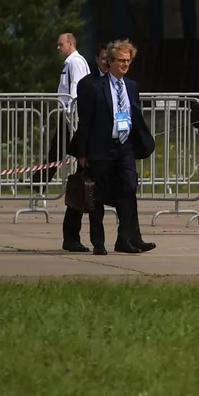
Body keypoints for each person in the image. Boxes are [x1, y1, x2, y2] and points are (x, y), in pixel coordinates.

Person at [72, 40, 155, 255]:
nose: (126, 64)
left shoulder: (131, 86)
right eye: (121, 60)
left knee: (128, 190)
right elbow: (86, 122)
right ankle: (98, 242)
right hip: (100, 149)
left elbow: (134, 116)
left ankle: (126, 239)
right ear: (110, 61)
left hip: (124, 147)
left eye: (128, 60)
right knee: (96, 197)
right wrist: (82, 153)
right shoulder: (93, 87)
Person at [56, 33, 94, 252]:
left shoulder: (76, 62)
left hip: (75, 119)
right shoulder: (71, 63)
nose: (58, 48)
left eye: (61, 44)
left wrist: (72, 116)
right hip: (73, 120)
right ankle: (72, 237)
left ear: (71, 44)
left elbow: (75, 92)